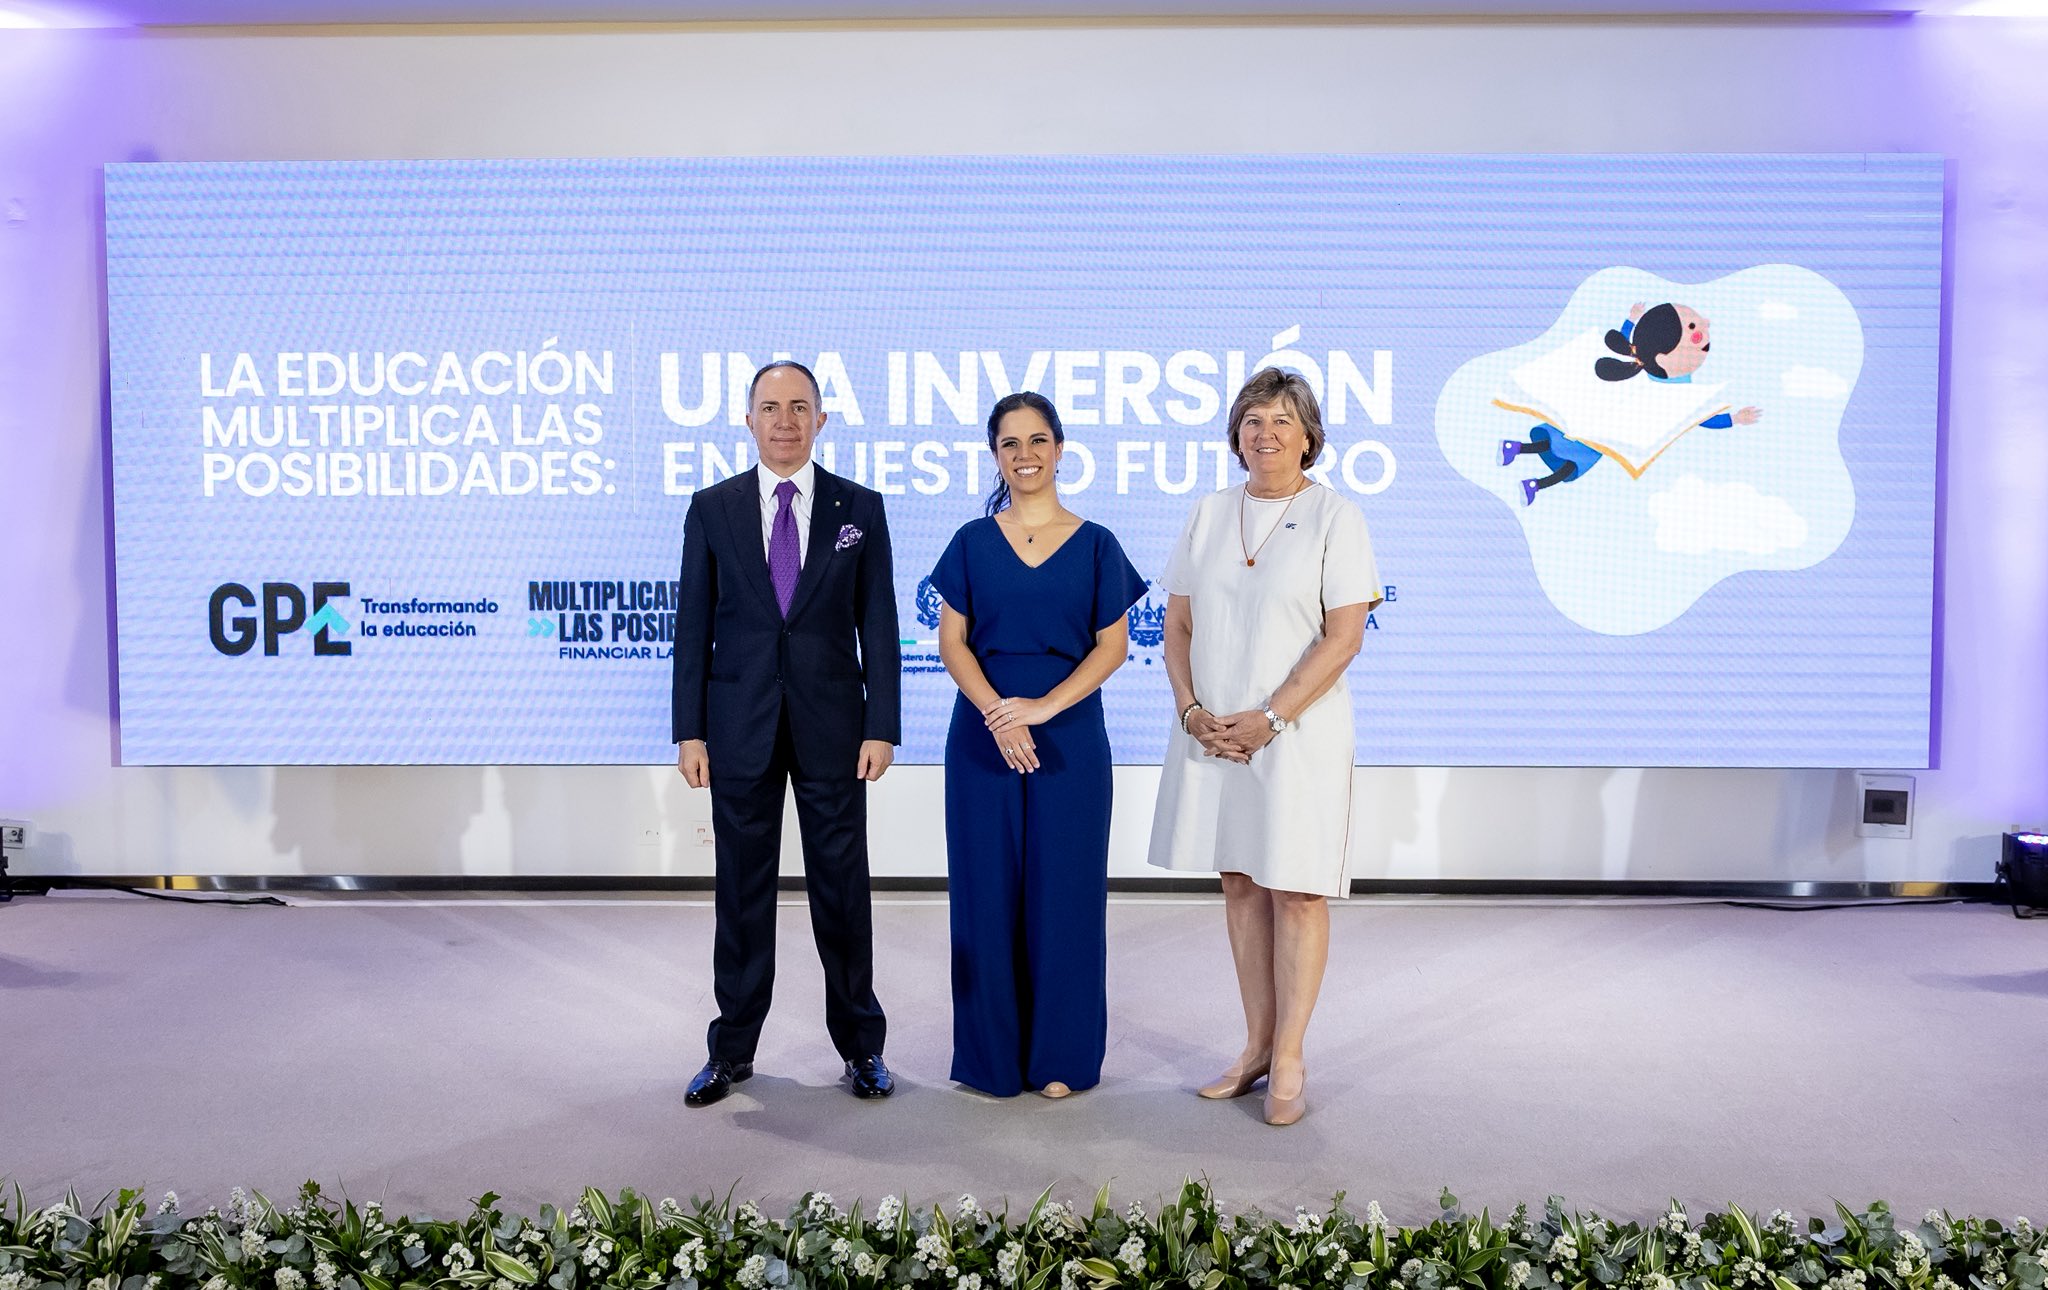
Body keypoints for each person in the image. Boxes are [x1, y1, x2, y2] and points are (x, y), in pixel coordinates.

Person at [1147, 366, 1383, 1127]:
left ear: (1309, 436)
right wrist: (1191, 710)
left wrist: (1270, 719)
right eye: (1253, 419)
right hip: (1216, 731)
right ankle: (1254, 1046)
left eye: (1282, 420)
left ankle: (1290, 1056)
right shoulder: (1209, 512)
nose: (1266, 433)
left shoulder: (1336, 517)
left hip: (1297, 734)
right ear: (1236, 435)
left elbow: (1343, 638)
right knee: (1241, 881)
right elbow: (1177, 625)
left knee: (1298, 888)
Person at [671, 359, 901, 1106]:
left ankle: (862, 1049)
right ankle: (731, 1051)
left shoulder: (859, 508)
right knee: (741, 894)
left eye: (799, 407)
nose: (784, 421)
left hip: (835, 728)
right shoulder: (712, 509)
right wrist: (690, 732)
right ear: (748, 420)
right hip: (738, 729)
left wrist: (882, 725)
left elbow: (879, 624)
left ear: (821, 420)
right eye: (770, 407)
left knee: (843, 891)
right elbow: (693, 627)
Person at [930, 391, 1146, 1099]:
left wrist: (1043, 708)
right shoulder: (970, 541)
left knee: (1067, 895)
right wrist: (1001, 715)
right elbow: (952, 644)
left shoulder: (1097, 543)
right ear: (995, 455)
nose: (1025, 455)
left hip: (1070, 738)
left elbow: (1112, 647)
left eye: (1037, 441)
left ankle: (1060, 1057)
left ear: (1059, 449)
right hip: (982, 735)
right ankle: (990, 1059)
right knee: (984, 895)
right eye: (1010, 444)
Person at [1501, 302, 1762, 505]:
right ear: (1662, 356)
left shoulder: (1677, 387)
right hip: (1601, 418)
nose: (1704, 330)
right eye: (1693, 329)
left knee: (1571, 460)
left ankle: (1528, 475)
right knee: (1566, 449)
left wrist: (1733, 419)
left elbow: (1697, 417)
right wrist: (1631, 320)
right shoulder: (1655, 374)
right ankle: (1522, 462)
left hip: (1612, 432)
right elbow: (1620, 344)